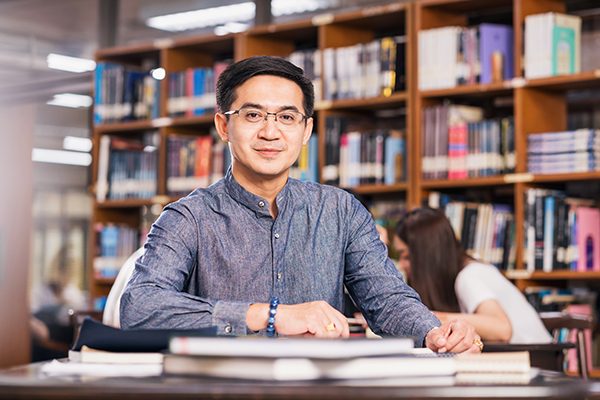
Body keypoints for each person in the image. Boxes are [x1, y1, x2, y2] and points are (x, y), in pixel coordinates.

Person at [120, 56, 481, 353]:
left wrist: (435, 334)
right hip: (223, 390)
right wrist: (269, 316)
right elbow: (140, 307)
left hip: (321, 390)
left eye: (287, 117)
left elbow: (387, 298)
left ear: (306, 131)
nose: (270, 132)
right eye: (253, 115)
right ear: (223, 126)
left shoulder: (341, 212)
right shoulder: (189, 217)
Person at [394, 207, 552, 344]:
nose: (401, 264)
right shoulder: (456, 276)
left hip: (537, 360)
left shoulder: (469, 276)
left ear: (427, 256)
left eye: (406, 256)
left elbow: (502, 330)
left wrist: (429, 317)